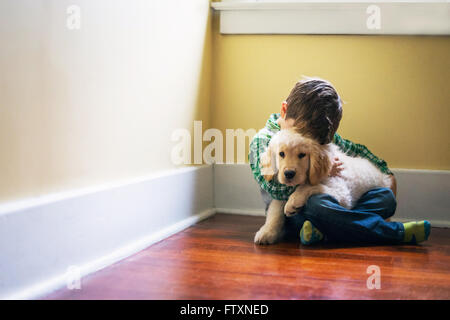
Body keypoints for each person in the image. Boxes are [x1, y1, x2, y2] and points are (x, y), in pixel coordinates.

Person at [249, 77, 430, 245]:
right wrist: (322, 172)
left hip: (337, 200)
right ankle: (393, 233)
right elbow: (277, 190)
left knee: (385, 199)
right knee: (318, 206)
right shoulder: (263, 141)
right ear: (284, 110)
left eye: (315, 139)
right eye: (301, 132)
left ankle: (325, 231)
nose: (308, 140)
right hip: (296, 212)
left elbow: (359, 151)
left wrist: (386, 174)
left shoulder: (319, 136)